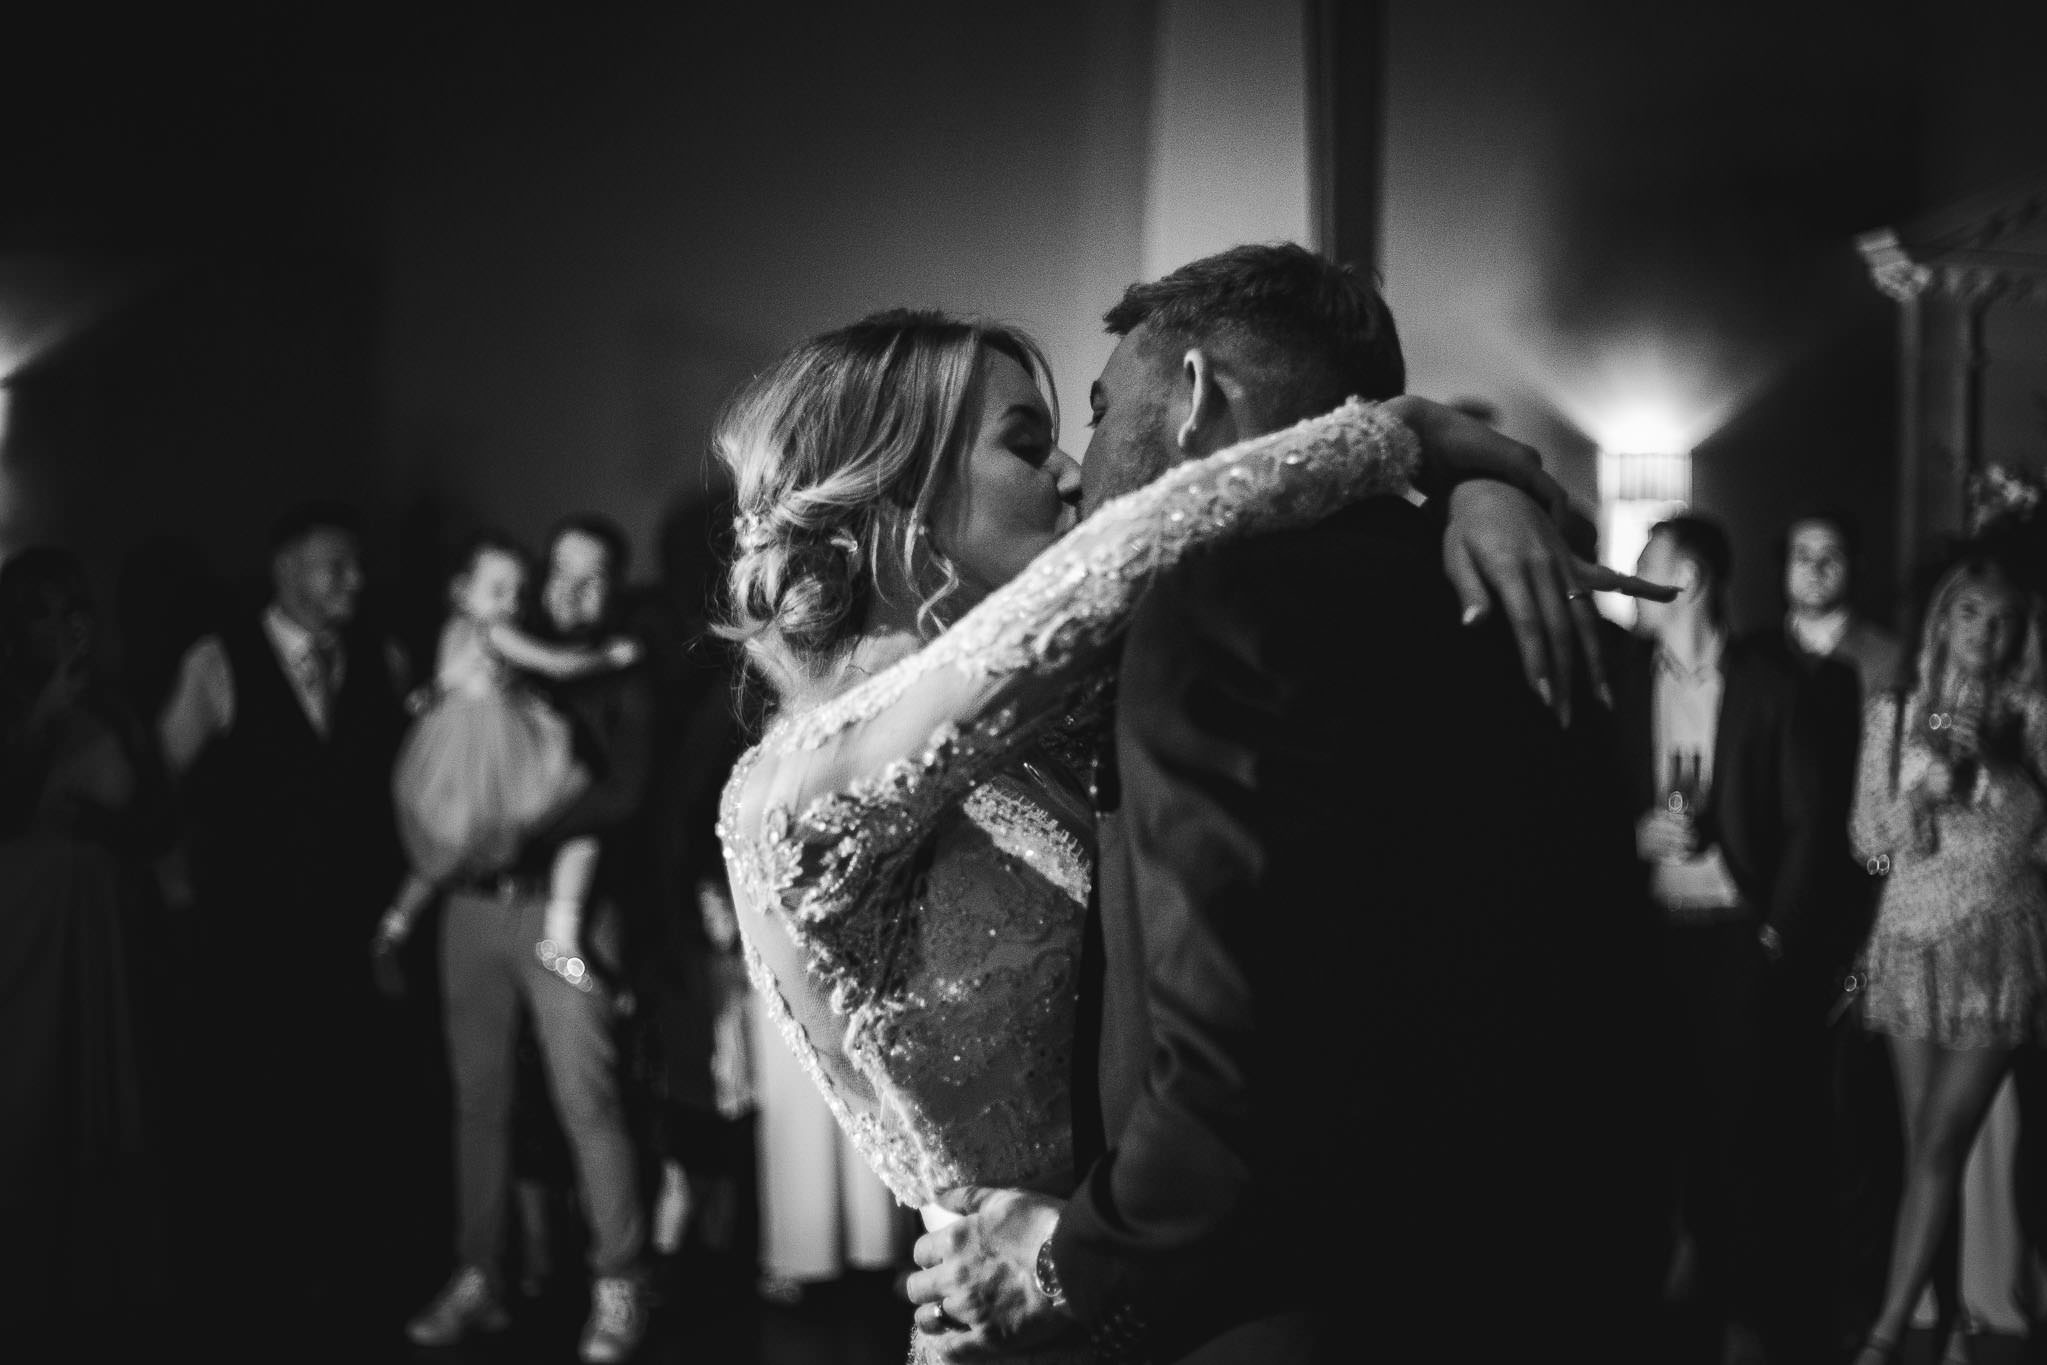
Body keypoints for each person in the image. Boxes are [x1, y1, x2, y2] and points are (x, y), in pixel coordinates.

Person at [715, 272, 1665, 1360]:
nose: (1069, 473)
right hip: (1017, 1315)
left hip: (1163, 1288)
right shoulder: (790, 801)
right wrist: (1397, 437)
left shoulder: (1059, 714)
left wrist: (1474, 495)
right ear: (898, 496)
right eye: (1025, 444)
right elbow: (1129, 554)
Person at [403, 514, 655, 1365]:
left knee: (591, 1100)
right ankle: (480, 1276)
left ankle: (621, 1285)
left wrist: (522, 832)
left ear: (615, 586)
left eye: (596, 576)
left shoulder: (622, 674)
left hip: (564, 909)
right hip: (471, 909)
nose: (574, 590)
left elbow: (621, 794)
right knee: (478, 1104)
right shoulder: (493, 652)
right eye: (563, 572)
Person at [155, 499, 415, 1316]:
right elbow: (164, 778)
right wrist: (180, 891)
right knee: (263, 1101)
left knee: (355, 1100)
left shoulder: (387, 656)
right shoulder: (217, 661)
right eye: (335, 566)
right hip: (253, 932)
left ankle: (349, 1269)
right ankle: (266, 1279)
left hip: (358, 928)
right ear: (286, 572)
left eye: (357, 565)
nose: (355, 581)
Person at [1621, 514, 1848, 1364]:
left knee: (1747, 1131)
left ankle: (1750, 1317)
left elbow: (1809, 822)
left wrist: (1774, 938)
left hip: (1736, 937)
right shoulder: (1621, 673)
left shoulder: (1771, 680)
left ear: (1691, 578)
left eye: (1645, 564)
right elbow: (1584, 807)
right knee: (1655, 1119)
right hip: (1648, 934)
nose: (1631, 579)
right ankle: (1671, 1290)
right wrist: (1633, 835)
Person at [1848, 548, 2047, 1365]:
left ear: (2020, 632)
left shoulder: (2035, 714)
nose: (1983, 632)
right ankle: (1944, 1334)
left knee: (1938, 1140)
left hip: (1997, 947)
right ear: (1942, 618)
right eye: (1969, 613)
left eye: (2000, 620)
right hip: (1907, 944)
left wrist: (2004, 767)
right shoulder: (1894, 713)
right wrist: (1916, 797)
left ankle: (1884, 1338)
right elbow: (1867, 843)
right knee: (1927, 1147)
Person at [0, 547, 177, 1341]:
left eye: (75, 605)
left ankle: (100, 1286)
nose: (64, 621)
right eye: (43, 607)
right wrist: (41, 716)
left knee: (104, 1094)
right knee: (30, 1094)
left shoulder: (118, 704)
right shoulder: (11, 699)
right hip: (22, 929)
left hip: (103, 921)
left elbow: (154, 822)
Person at [371, 532, 642, 993]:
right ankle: (562, 932)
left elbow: (447, 680)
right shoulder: (492, 628)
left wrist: (429, 695)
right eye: (498, 591)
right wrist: (609, 655)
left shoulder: (454, 628)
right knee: (575, 808)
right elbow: (556, 665)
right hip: (490, 746)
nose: (511, 605)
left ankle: (393, 925)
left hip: (449, 752)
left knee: (442, 843)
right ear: (462, 591)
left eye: (518, 593)